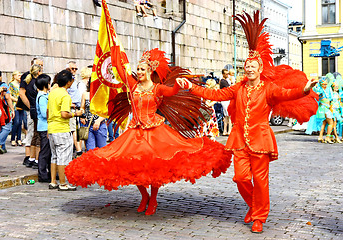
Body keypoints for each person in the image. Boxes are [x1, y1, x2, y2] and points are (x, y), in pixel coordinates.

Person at [176, 11, 318, 233]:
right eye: (247, 65)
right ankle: (254, 205)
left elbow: (288, 94)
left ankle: (259, 216)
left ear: (260, 69)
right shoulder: (237, 88)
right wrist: (190, 87)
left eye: (253, 66)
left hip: (260, 139)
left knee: (261, 180)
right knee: (240, 177)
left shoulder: (269, 89)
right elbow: (215, 95)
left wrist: (305, 89)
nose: (249, 68)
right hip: (240, 138)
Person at [65, 48, 232, 216]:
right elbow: (120, 70)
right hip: (135, 133)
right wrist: (114, 47)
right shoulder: (133, 85)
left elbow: (172, 91)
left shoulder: (157, 89)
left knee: (155, 168)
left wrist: (180, 84)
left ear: (150, 71)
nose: (138, 72)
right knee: (131, 166)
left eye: (142, 69)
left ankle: (153, 199)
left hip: (155, 133)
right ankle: (145, 195)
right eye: (137, 69)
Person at [47, 70, 83, 191]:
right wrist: (75, 114)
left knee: (54, 156)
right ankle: (63, 183)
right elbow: (64, 114)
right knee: (63, 157)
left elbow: (48, 111)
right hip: (61, 128)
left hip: (52, 127)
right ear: (69, 82)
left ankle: (53, 181)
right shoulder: (65, 95)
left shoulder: (53, 92)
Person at [19, 58, 43, 167]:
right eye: (39, 66)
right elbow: (22, 93)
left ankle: (31, 158)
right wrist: (31, 107)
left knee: (34, 134)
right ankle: (31, 158)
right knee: (35, 134)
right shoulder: (30, 79)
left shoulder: (33, 80)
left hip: (33, 110)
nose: (42, 67)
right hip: (33, 110)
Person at [79, 78, 107, 151]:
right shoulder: (85, 94)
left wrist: (98, 120)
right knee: (90, 150)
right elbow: (82, 108)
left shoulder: (104, 94)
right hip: (88, 126)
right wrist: (82, 116)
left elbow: (107, 111)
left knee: (101, 151)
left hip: (100, 125)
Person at [0, 69, 15, 154]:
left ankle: (3, 147)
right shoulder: (3, 85)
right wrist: (12, 109)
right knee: (7, 127)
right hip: (3, 108)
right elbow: (8, 98)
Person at [36, 74, 52, 182]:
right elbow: (44, 113)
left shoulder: (46, 95)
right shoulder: (42, 97)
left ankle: (50, 172)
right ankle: (42, 174)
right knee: (45, 151)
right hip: (44, 127)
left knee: (50, 151)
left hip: (48, 126)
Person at [66, 61, 83, 157]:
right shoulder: (68, 80)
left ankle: (76, 149)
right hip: (71, 108)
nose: (74, 70)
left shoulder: (74, 79)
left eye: (76, 69)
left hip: (76, 107)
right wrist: (69, 103)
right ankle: (78, 150)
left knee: (76, 129)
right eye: (72, 68)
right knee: (73, 130)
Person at [9, 71, 24, 147]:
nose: (20, 77)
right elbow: (9, 95)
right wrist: (16, 100)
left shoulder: (21, 84)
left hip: (21, 105)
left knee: (20, 123)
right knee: (16, 122)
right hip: (15, 105)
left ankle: (19, 138)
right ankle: (12, 139)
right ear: (14, 76)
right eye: (18, 75)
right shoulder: (11, 84)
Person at [219, 68, 232, 135]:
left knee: (226, 116)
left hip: (224, 100)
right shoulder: (224, 81)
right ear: (223, 74)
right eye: (226, 74)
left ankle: (224, 131)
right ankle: (229, 130)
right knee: (229, 116)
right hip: (226, 100)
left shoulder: (222, 81)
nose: (228, 75)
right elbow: (229, 89)